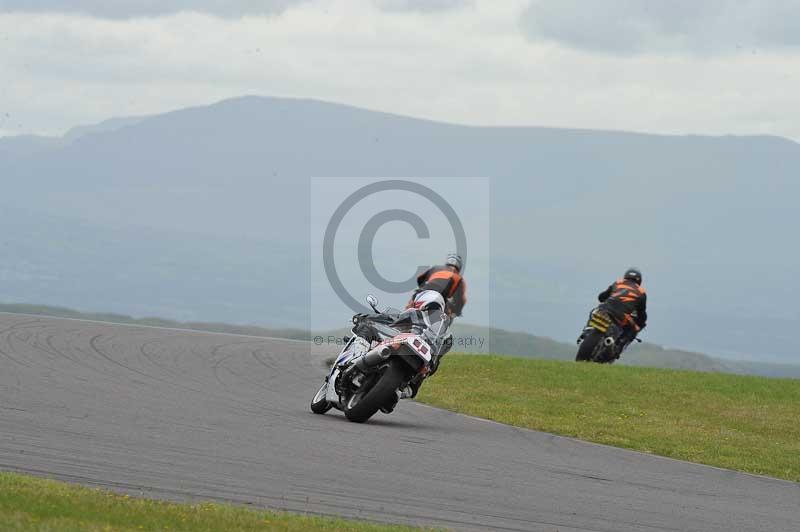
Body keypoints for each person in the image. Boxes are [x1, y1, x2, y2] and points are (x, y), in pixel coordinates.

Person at [597, 267, 648, 354]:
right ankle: (619, 345)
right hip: (622, 316)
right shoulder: (641, 292)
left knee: (595, 312)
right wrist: (640, 324)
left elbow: (601, 297)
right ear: (639, 280)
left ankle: (587, 331)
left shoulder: (618, 283)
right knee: (633, 328)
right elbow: (642, 313)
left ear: (625, 276)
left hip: (604, 309)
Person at [408, 253, 467, 318]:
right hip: (440, 296)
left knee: (410, 306)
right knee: (446, 316)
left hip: (424, 291)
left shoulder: (435, 268)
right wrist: (457, 312)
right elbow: (462, 300)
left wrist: (422, 289)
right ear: (459, 267)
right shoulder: (458, 278)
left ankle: (401, 322)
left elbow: (420, 279)